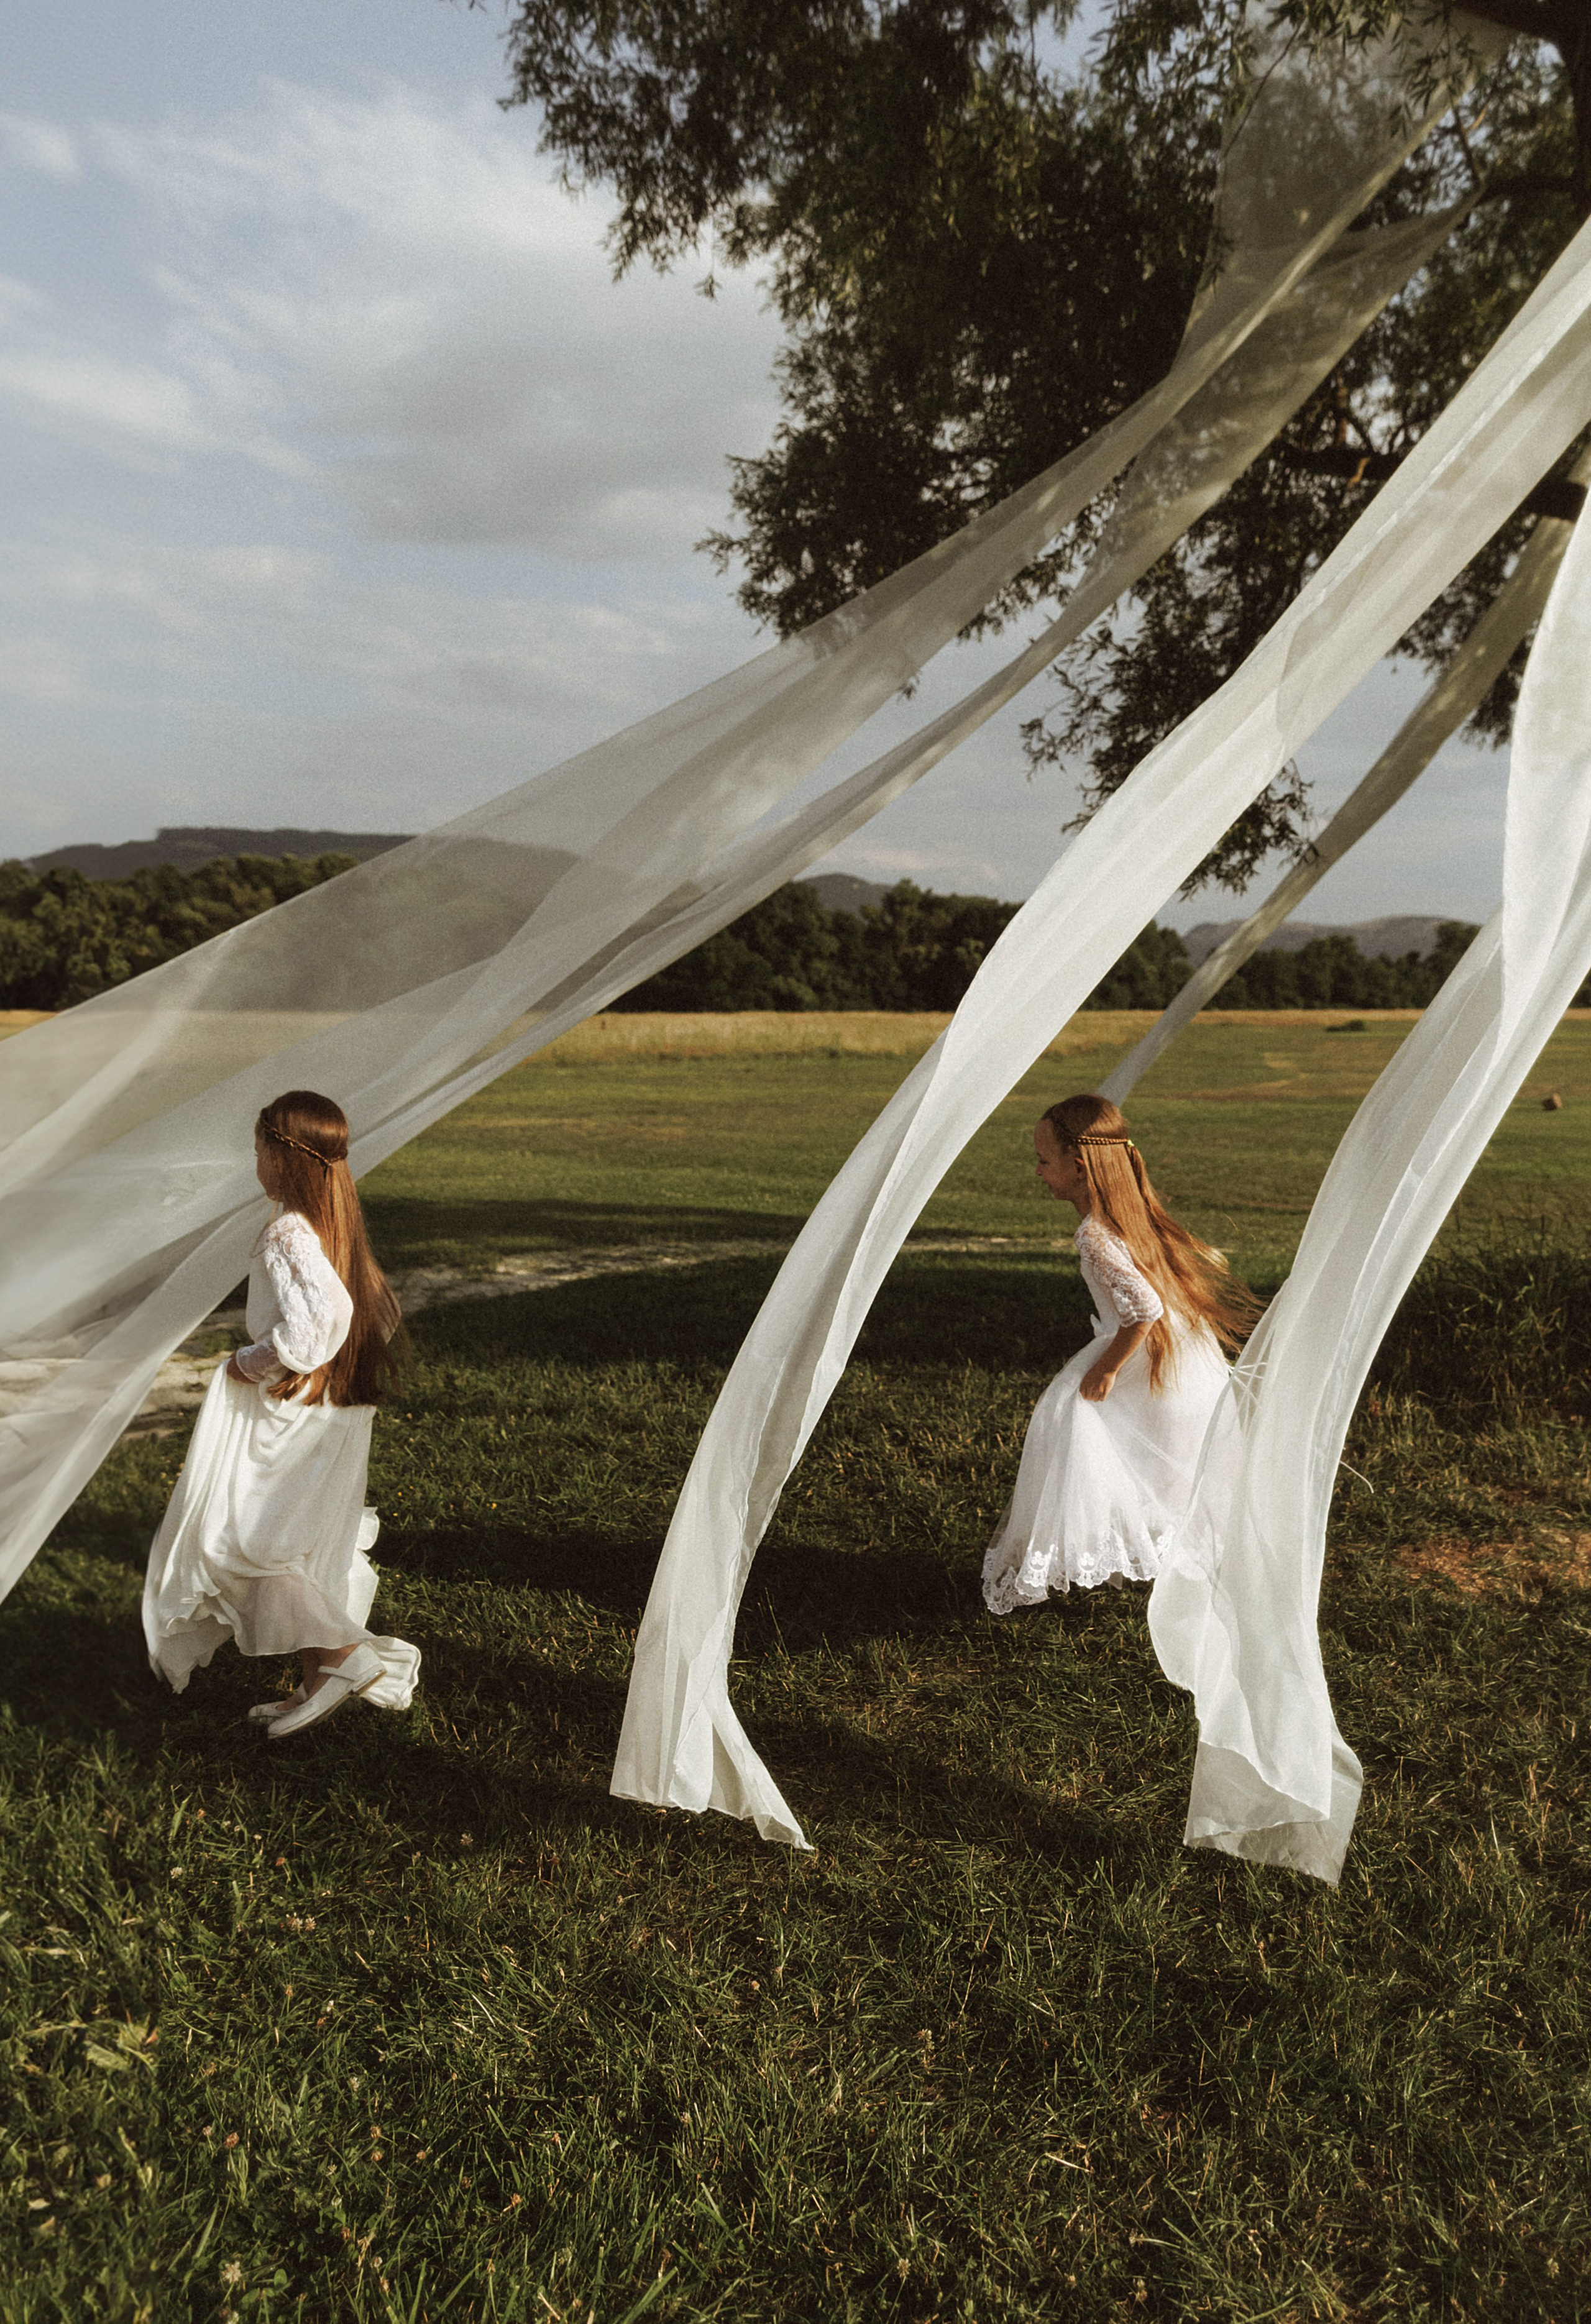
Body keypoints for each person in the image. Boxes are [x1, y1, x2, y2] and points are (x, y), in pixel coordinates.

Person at [142, 1090, 420, 1734]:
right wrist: (326, 1369)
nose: (255, 1162)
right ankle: (319, 1676)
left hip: (294, 1421)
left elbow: (326, 1319)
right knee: (296, 1542)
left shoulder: (288, 1230)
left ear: (281, 1155)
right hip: (333, 1414)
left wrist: (257, 1361)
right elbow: (378, 1311)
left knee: (241, 1546)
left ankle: (344, 1656)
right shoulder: (335, 1221)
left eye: (259, 1148)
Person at [982, 1092, 1259, 1615]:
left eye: (1044, 1160)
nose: (1037, 1171)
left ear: (1079, 1166)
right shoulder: (1130, 1217)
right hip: (1178, 1358)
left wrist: (1106, 1370)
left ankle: (1103, 1557)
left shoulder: (1096, 1236)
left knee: (1079, 1429)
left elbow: (1144, 1308)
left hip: (1141, 1355)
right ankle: (1175, 1563)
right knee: (1162, 1462)